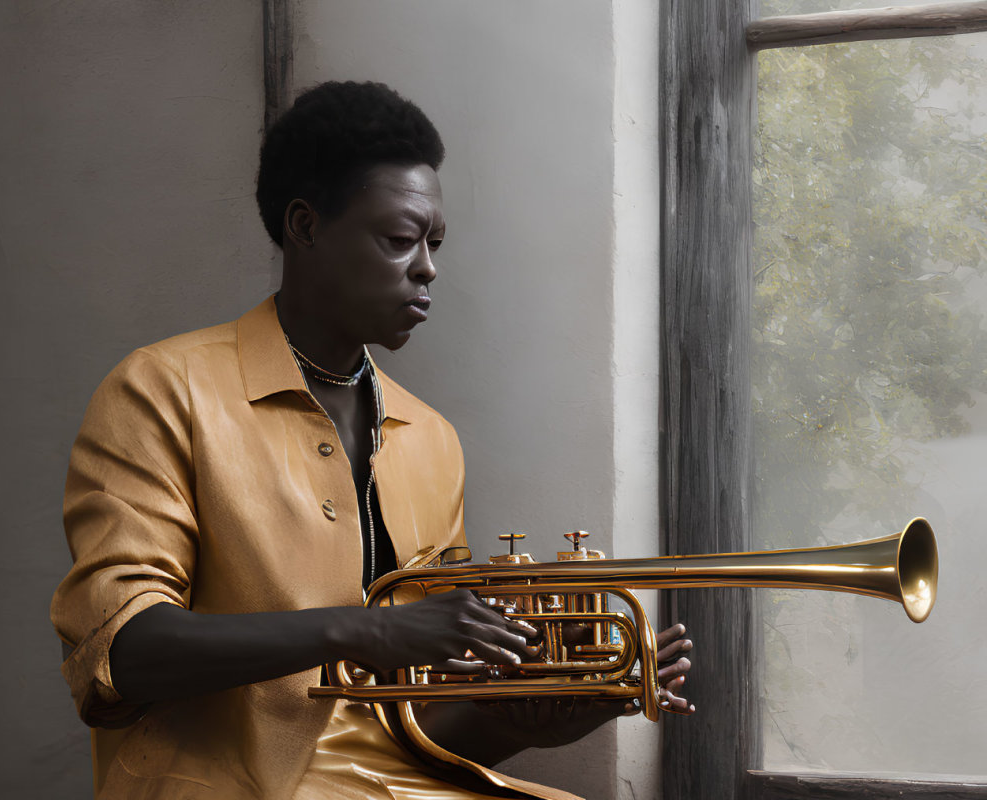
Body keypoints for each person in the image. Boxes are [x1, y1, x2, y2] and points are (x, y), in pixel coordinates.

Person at [51, 80, 693, 800]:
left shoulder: (431, 439)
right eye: (399, 239)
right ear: (305, 226)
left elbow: (421, 726)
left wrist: (532, 719)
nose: (428, 268)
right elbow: (122, 653)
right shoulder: (160, 390)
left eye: (435, 243)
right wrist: (362, 631)